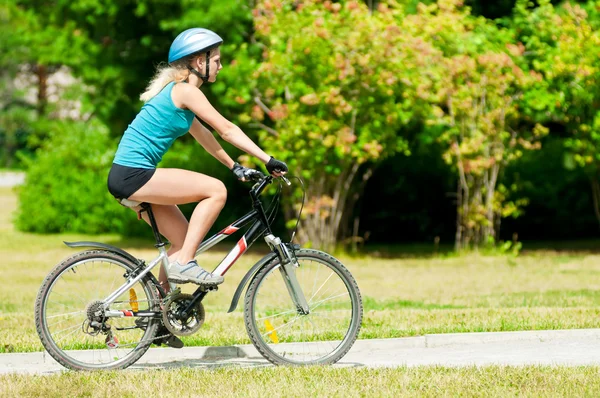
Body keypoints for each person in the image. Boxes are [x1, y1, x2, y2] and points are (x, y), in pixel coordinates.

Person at [107, 28, 288, 345]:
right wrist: (267, 158)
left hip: (127, 176)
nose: (220, 66)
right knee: (215, 190)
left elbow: (209, 139)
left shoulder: (181, 101)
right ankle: (184, 264)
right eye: (216, 60)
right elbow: (228, 129)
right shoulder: (186, 91)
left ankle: (159, 321)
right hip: (133, 174)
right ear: (196, 62)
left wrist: (236, 166)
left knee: (180, 239)